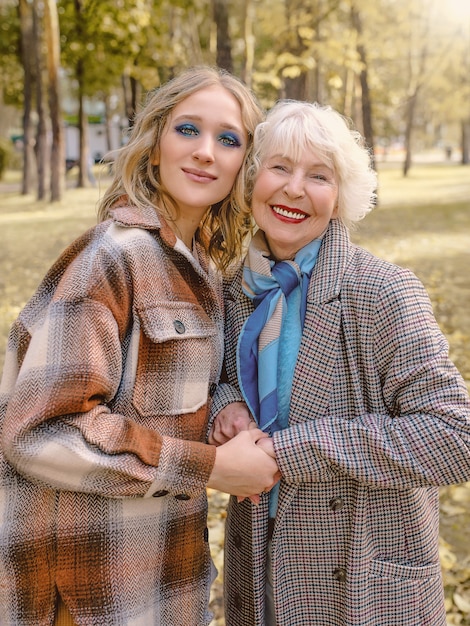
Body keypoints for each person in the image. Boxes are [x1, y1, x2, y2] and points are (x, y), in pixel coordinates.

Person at [0, 66, 280, 626]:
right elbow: (38, 431)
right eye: (187, 130)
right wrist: (210, 468)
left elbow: (169, 399)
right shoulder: (114, 257)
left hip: (165, 582)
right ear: (154, 148)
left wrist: (223, 408)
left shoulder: (201, 267)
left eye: (228, 139)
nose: (205, 151)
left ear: (241, 166)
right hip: (86, 595)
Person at [209, 100, 470, 625]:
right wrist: (227, 406)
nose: (294, 188)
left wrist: (294, 450)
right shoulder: (233, 287)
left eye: (319, 175)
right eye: (279, 167)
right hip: (259, 564)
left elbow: (455, 437)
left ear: (341, 197)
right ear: (252, 179)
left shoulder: (383, 292)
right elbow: (217, 376)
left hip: (361, 580)